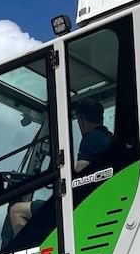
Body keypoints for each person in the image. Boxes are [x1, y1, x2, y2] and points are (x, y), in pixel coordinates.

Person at [6, 99, 112, 236]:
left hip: (80, 205)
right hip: (99, 201)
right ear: (101, 118)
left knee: (16, 211)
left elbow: (80, 174)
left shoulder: (91, 137)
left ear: (81, 120)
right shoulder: (108, 138)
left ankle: (30, 249)